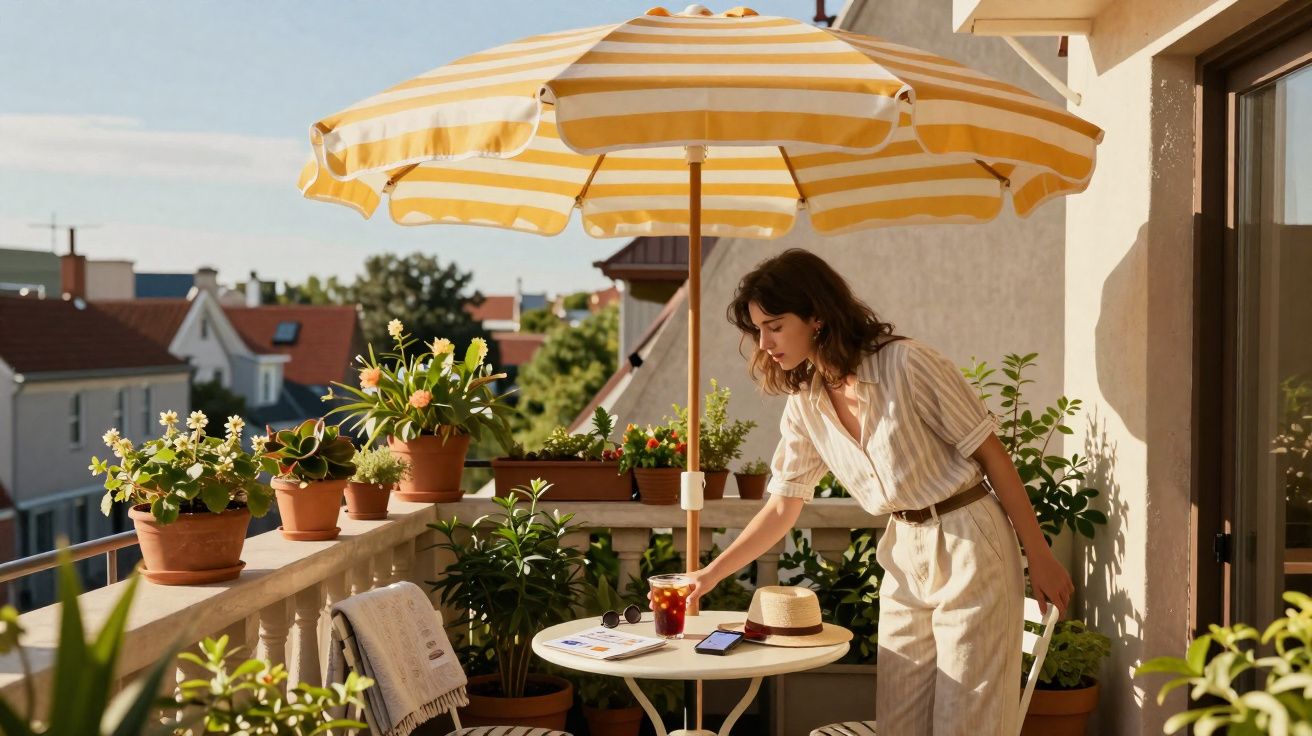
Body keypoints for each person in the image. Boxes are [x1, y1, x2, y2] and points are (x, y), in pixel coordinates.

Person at [668, 248, 1074, 735]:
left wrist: (1040, 555)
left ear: (816, 316)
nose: (764, 342)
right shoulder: (807, 404)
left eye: (774, 325)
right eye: (758, 329)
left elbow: (992, 456)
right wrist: (710, 575)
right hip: (903, 553)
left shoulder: (907, 364)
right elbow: (781, 506)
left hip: (970, 540)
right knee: (899, 722)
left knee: (966, 722)